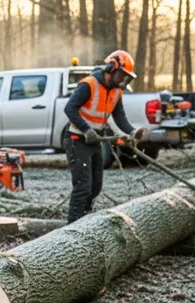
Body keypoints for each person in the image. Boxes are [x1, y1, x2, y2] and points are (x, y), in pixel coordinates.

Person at [62, 50, 149, 223]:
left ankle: (84, 219)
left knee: (96, 186)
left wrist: (132, 132)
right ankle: (72, 227)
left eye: (126, 77)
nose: (123, 80)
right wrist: (86, 129)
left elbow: (120, 117)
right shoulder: (89, 85)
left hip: (95, 140)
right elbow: (69, 108)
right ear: (111, 68)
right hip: (77, 139)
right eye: (122, 75)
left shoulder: (116, 92)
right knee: (82, 186)